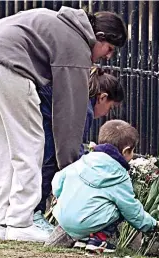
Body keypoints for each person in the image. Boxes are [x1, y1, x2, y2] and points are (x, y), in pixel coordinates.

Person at [0, 6, 127, 242]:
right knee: (30, 145)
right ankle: (20, 222)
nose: (107, 56)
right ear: (99, 37)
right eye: (109, 49)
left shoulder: (57, 20)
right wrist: (72, 169)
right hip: (9, 66)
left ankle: (1, 222)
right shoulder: (77, 44)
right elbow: (69, 113)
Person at [46, 120, 159, 252]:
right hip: (87, 223)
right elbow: (131, 208)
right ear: (126, 151)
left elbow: (57, 180)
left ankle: (83, 239)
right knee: (120, 208)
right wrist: (151, 224)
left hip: (63, 218)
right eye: (132, 151)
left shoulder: (84, 160)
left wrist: (61, 197)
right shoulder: (119, 176)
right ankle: (97, 240)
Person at [33, 67, 125, 234]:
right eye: (110, 108)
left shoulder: (79, 98)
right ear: (102, 97)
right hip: (46, 125)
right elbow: (72, 146)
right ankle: (35, 214)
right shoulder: (86, 110)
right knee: (48, 163)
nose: (106, 114)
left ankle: (33, 213)